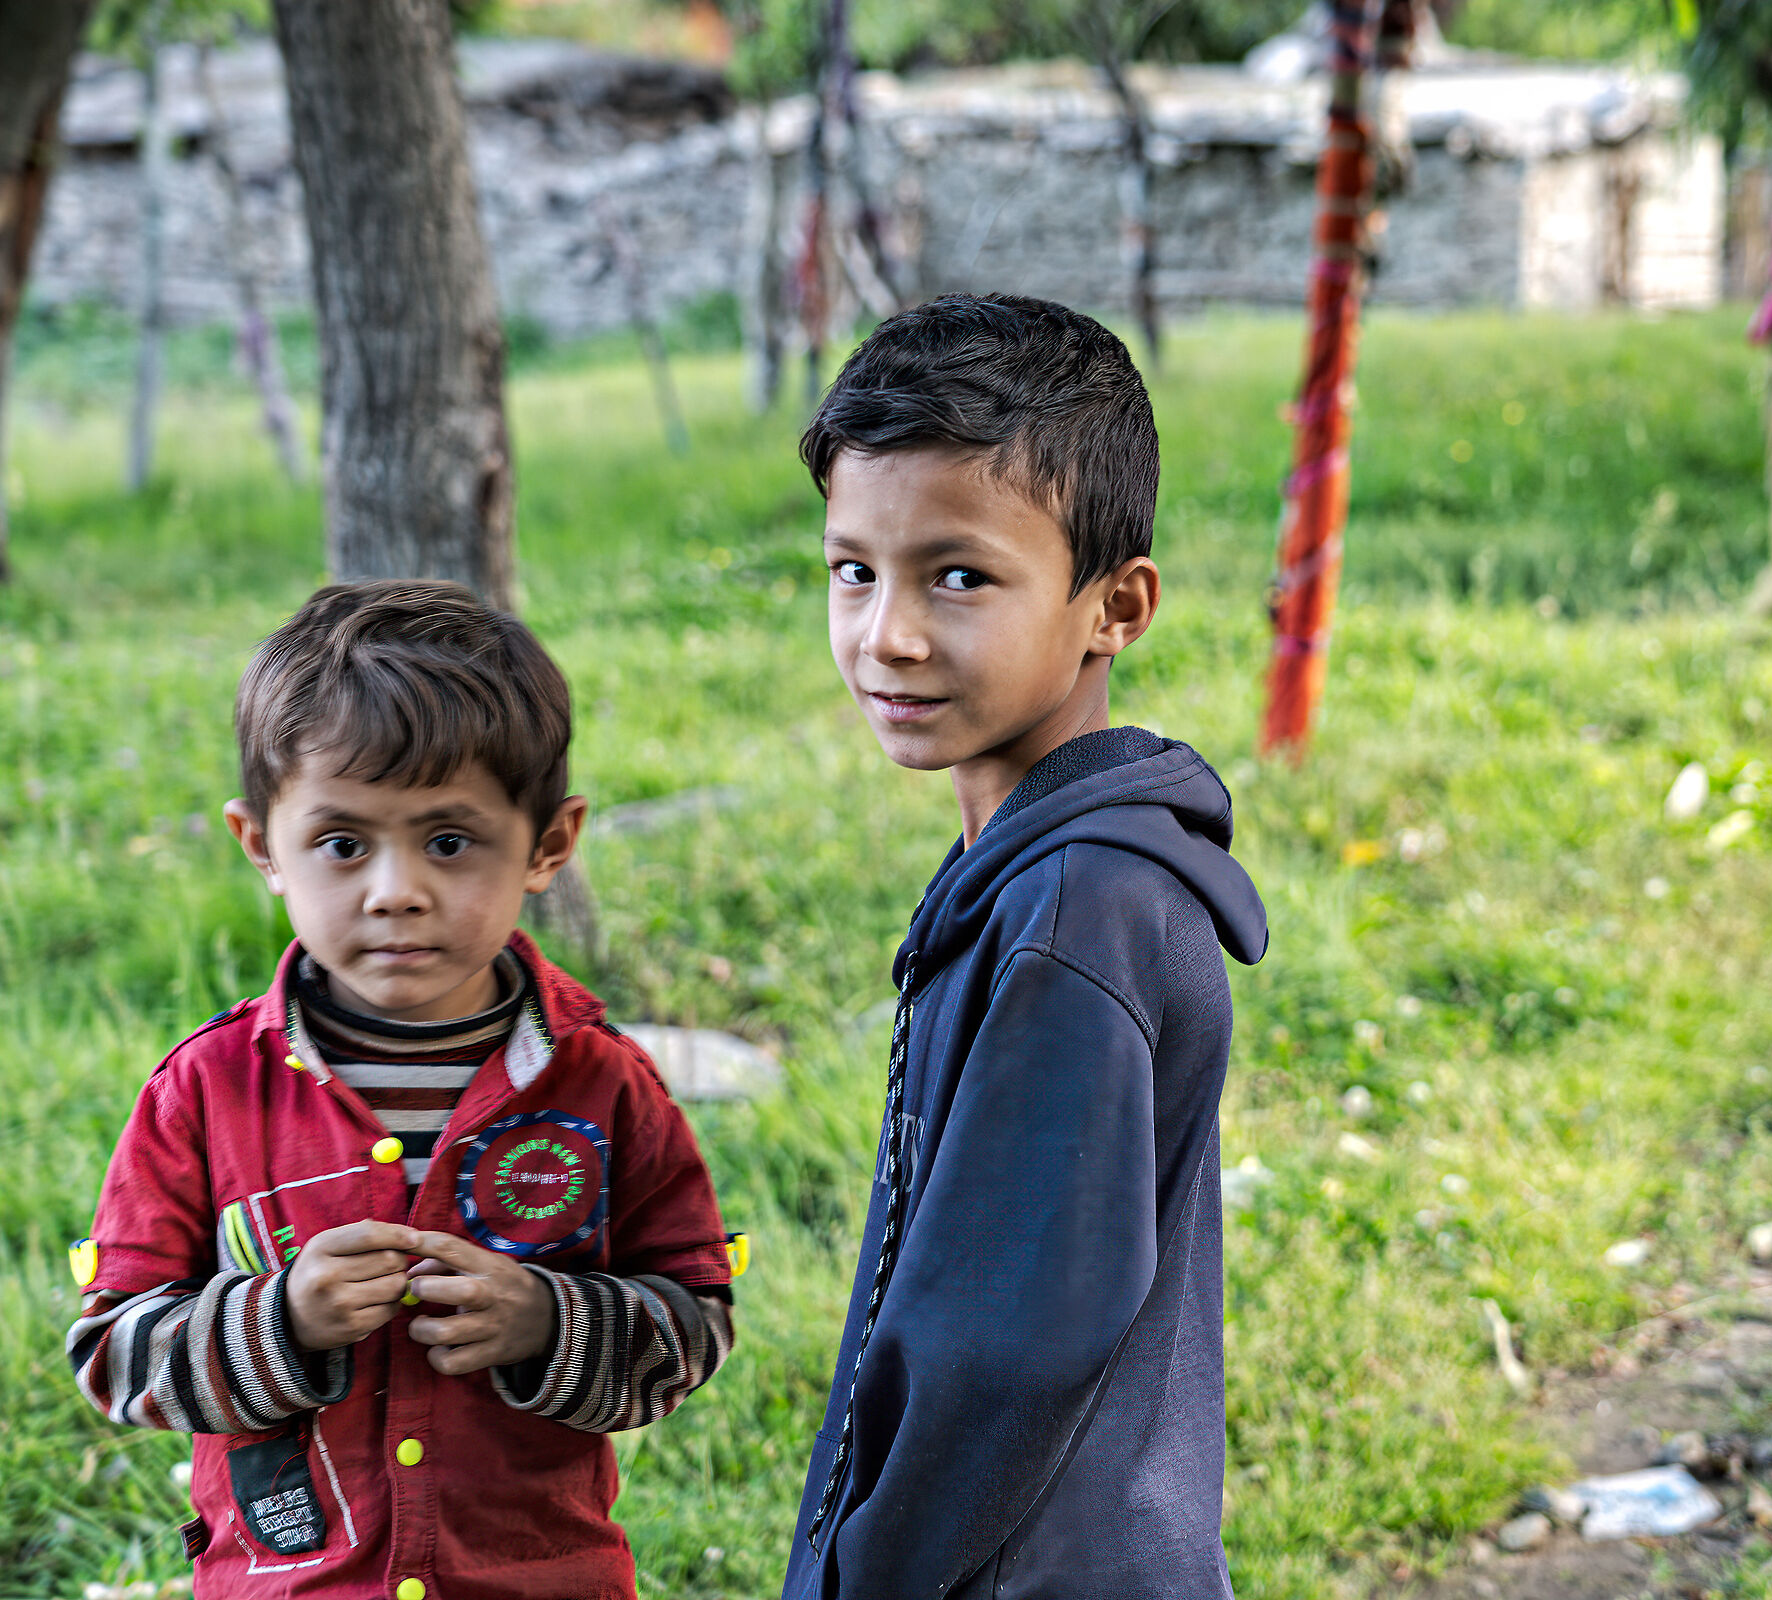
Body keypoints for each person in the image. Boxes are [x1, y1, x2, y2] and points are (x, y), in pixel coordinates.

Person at [69, 581, 735, 1599]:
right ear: (263, 848)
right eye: (343, 843)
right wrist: (279, 1319)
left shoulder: (605, 1085)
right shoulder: (204, 1093)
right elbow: (114, 1350)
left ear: (550, 844)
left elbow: (693, 1314)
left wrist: (549, 1324)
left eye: (450, 841)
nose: (395, 889)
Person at [783, 294, 1269, 1600]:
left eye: (959, 575)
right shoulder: (1035, 872)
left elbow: (1002, 1354)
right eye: (853, 569)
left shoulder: (1075, 915)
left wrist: (864, 1574)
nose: (886, 632)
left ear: (1116, 605)